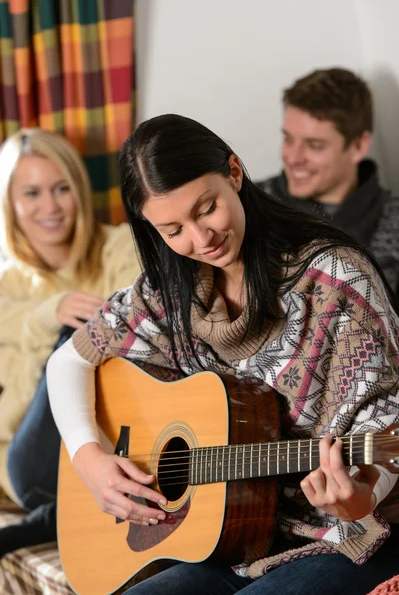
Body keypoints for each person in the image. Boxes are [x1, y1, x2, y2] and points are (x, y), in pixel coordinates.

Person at [47, 114, 399, 595]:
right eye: (172, 230)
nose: (199, 239)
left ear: (234, 172)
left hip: (349, 536)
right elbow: (68, 360)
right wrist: (89, 459)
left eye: (206, 208)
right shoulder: (170, 290)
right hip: (232, 538)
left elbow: (382, 432)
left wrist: (360, 497)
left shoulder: (335, 280)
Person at [0, 128, 140, 557]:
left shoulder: (120, 248)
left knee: (89, 336)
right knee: (74, 341)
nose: (50, 206)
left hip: (116, 445)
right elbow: (13, 411)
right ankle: (52, 515)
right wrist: (49, 314)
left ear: (79, 191)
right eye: (32, 193)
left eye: (61, 188)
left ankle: (58, 521)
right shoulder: (7, 287)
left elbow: (138, 340)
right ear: (11, 203)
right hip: (34, 468)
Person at [257, 67, 399, 296]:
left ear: (358, 146)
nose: (293, 157)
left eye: (314, 145)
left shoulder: (394, 222)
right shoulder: (249, 205)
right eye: (288, 139)